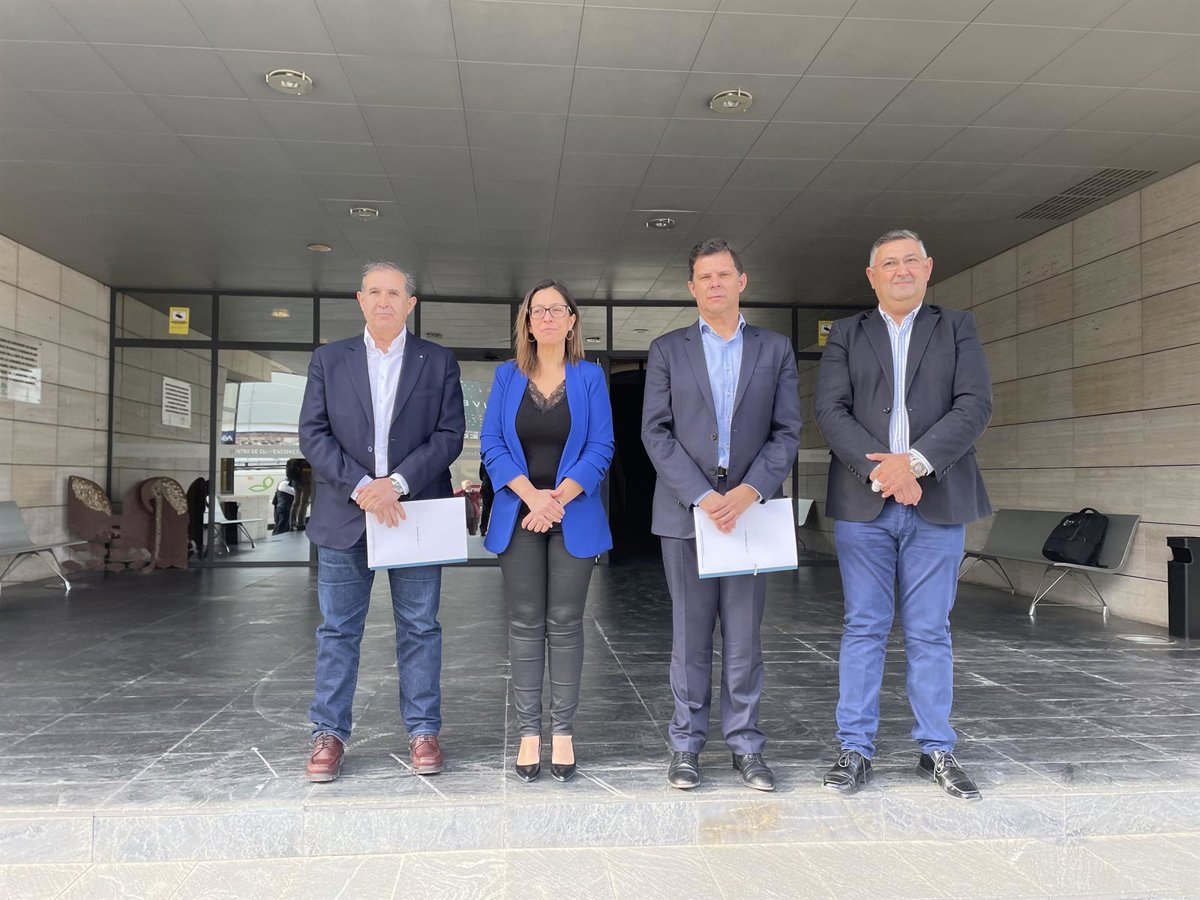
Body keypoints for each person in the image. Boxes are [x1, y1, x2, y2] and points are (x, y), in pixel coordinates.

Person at [814, 229, 992, 801]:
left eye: (910, 260)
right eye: (888, 263)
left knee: (930, 630)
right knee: (863, 626)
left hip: (937, 499)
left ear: (928, 268)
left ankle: (936, 749)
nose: (900, 270)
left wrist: (914, 464)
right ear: (872, 276)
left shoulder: (957, 327)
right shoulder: (847, 333)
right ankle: (854, 749)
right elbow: (830, 410)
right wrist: (885, 474)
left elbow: (974, 405)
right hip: (863, 503)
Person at [641, 239, 801, 792]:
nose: (715, 283)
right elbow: (655, 432)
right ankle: (686, 745)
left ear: (742, 281)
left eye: (724, 274)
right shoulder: (667, 349)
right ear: (692, 287)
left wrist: (751, 490)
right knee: (689, 636)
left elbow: (787, 432)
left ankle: (746, 746)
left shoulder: (775, 349)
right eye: (705, 276)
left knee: (744, 638)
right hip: (687, 515)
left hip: (750, 514)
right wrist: (701, 496)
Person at [298, 261, 465, 783]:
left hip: (412, 512)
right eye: (375, 291)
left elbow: (449, 434)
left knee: (420, 627)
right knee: (338, 631)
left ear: (410, 304)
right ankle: (328, 733)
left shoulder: (438, 361)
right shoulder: (329, 359)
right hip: (344, 514)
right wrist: (362, 487)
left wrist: (395, 484)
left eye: (394, 293)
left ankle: (423, 730)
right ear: (360, 299)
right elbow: (313, 434)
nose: (384, 300)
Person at [480, 278, 614, 783]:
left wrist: (556, 500)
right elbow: (491, 443)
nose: (548, 317)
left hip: (572, 513)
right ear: (528, 323)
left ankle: (562, 732)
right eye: (539, 311)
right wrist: (532, 497)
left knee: (565, 623)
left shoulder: (590, 377)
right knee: (523, 623)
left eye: (557, 309)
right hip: (519, 513)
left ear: (572, 320)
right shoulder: (506, 376)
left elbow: (601, 447)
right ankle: (528, 732)